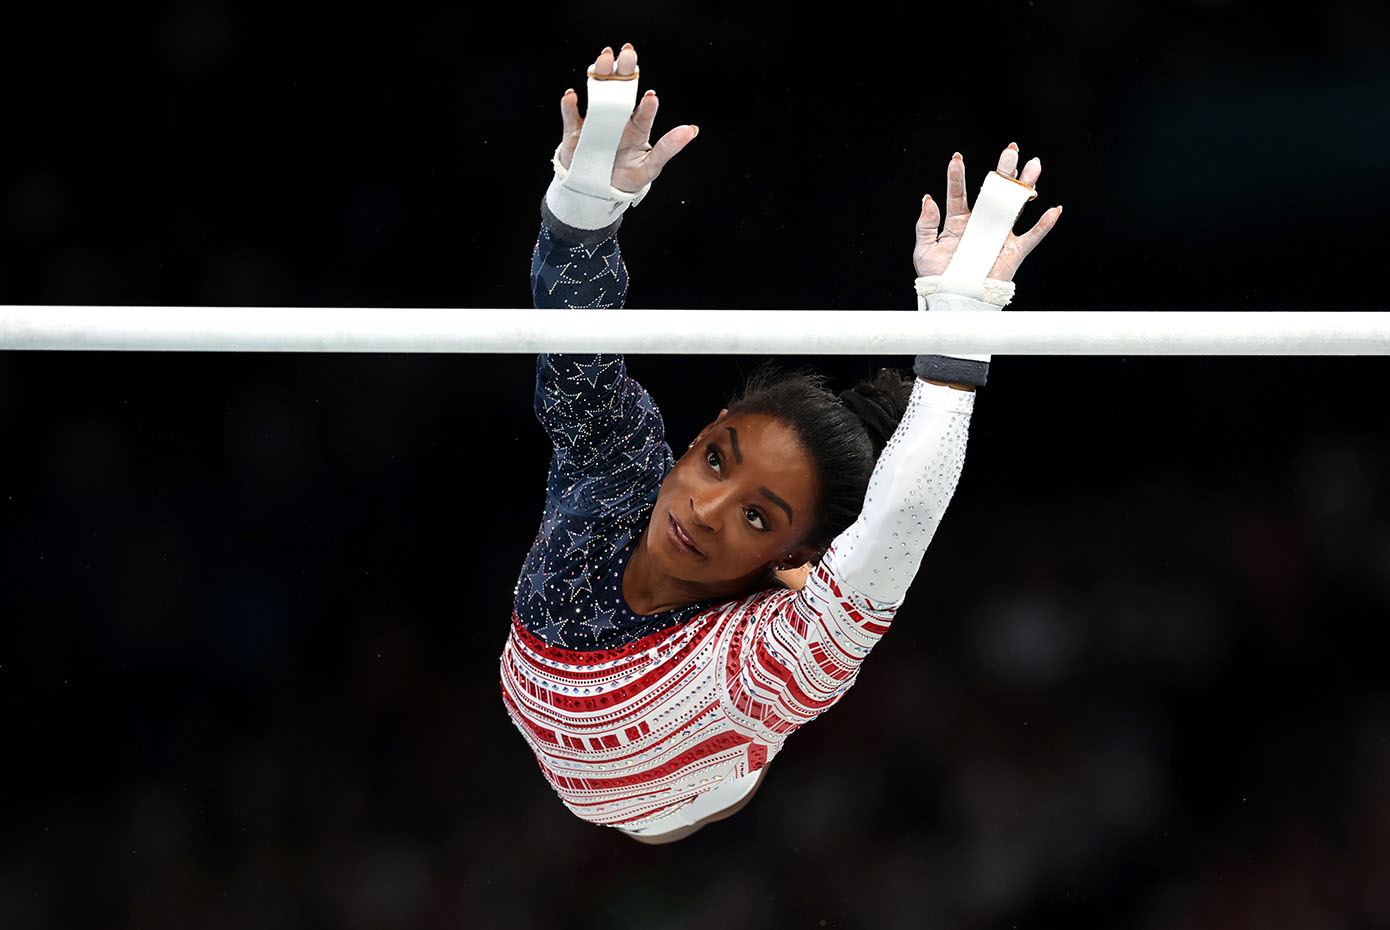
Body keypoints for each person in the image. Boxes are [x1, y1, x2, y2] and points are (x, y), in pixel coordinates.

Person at [499, 43, 1061, 843]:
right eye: (715, 460)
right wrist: (583, 210)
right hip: (629, 755)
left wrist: (959, 333)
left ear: (795, 562)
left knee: (826, 642)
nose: (706, 506)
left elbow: (897, 527)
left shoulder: (755, 666)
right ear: (694, 440)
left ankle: (747, 761)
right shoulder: (617, 479)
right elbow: (573, 342)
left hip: (685, 791)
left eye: (759, 519)